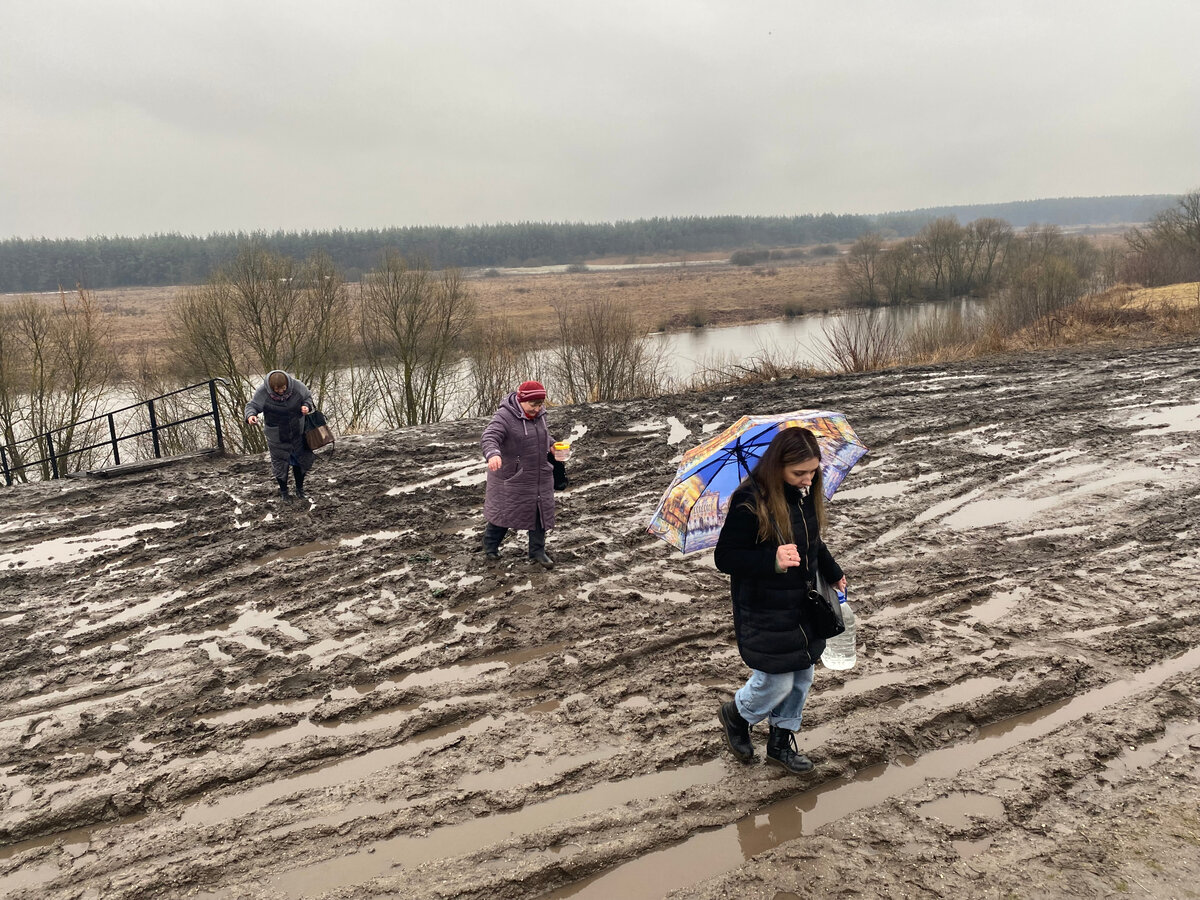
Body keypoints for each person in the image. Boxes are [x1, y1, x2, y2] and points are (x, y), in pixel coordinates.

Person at [713, 426, 847, 774]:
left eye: (812, 471)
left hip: (803, 604)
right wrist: (770, 560)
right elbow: (725, 558)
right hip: (764, 609)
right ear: (778, 467)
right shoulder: (748, 501)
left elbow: (813, 542)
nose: (807, 479)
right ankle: (736, 715)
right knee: (776, 681)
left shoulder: (803, 497)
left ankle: (779, 743)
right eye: (798, 473)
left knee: (802, 677)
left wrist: (832, 571)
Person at [481, 380, 561, 568]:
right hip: (513, 477)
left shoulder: (540, 415)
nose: (537, 408)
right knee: (504, 514)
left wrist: (552, 444)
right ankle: (490, 546)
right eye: (533, 405)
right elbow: (489, 437)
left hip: (539, 474)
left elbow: (542, 435)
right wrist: (493, 454)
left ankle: (537, 552)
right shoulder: (504, 416)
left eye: (540, 404)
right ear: (521, 399)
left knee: (539, 514)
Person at [244, 370, 316, 502]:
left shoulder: (297, 386)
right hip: (277, 436)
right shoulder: (263, 392)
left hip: (298, 433)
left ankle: (300, 490)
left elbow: (308, 398)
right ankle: (284, 492)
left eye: (283, 388)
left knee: (301, 463)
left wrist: (307, 406)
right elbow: (252, 405)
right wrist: (251, 416)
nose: (281, 391)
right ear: (271, 388)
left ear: (287, 384)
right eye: (277, 389)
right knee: (280, 466)